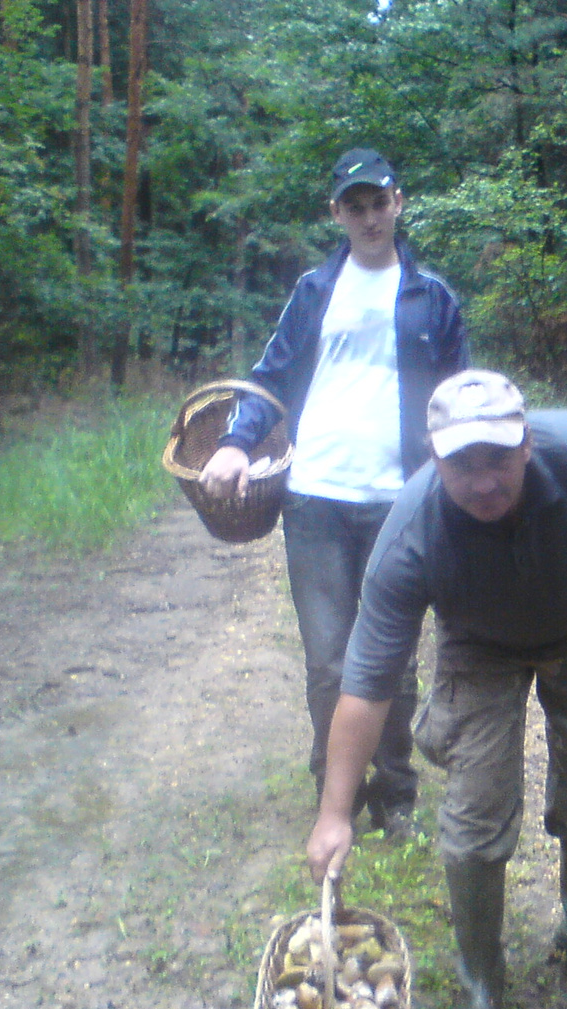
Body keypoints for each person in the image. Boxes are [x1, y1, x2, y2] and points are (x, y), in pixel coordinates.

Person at [304, 369, 567, 1009]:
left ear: (527, 444)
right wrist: (334, 810)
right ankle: (480, 981)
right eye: (461, 464)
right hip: (478, 642)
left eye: (497, 459)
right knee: (476, 803)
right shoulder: (411, 533)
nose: (483, 482)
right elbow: (366, 684)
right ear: (434, 459)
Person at [199, 148, 468, 837]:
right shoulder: (315, 292)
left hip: (400, 500)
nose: (370, 216)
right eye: (356, 205)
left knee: (395, 658)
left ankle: (396, 790)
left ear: (399, 203)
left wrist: (460, 479)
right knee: (327, 660)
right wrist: (235, 442)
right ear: (337, 214)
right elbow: (272, 376)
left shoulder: (431, 295)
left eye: (380, 202)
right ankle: (336, 788)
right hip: (314, 496)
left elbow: (456, 400)